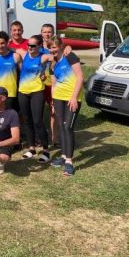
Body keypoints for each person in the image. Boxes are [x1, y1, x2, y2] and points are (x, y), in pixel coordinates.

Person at [49, 37, 84, 176]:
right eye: (50, 47)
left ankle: (69, 162)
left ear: (60, 46)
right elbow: (53, 85)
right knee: (61, 126)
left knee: (68, 127)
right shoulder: (52, 64)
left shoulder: (70, 56)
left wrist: (74, 97)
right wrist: (53, 102)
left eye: (54, 47)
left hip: (72, 98)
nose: (52, 50)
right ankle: (63, 157)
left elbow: (80, 77)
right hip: (58, 98)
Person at [17, 34, 51, 162]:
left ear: (39, 46)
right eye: (28, 45)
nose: (30, 47)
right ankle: (31, 148)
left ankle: (46, 150)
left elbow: (57, 55)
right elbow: (7, 48)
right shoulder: (23, 53)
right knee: (27, 121)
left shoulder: (43, 57)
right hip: (22, 92)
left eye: (33, 45)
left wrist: (67, 48)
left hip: (37, 92)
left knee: (38, 121)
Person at [0, 31, 22, 111]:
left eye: (2, 43)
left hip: (10, 92)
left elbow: (23, 74)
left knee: (8, 116)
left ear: (7, 42)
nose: (0, 46)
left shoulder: (15, 56)